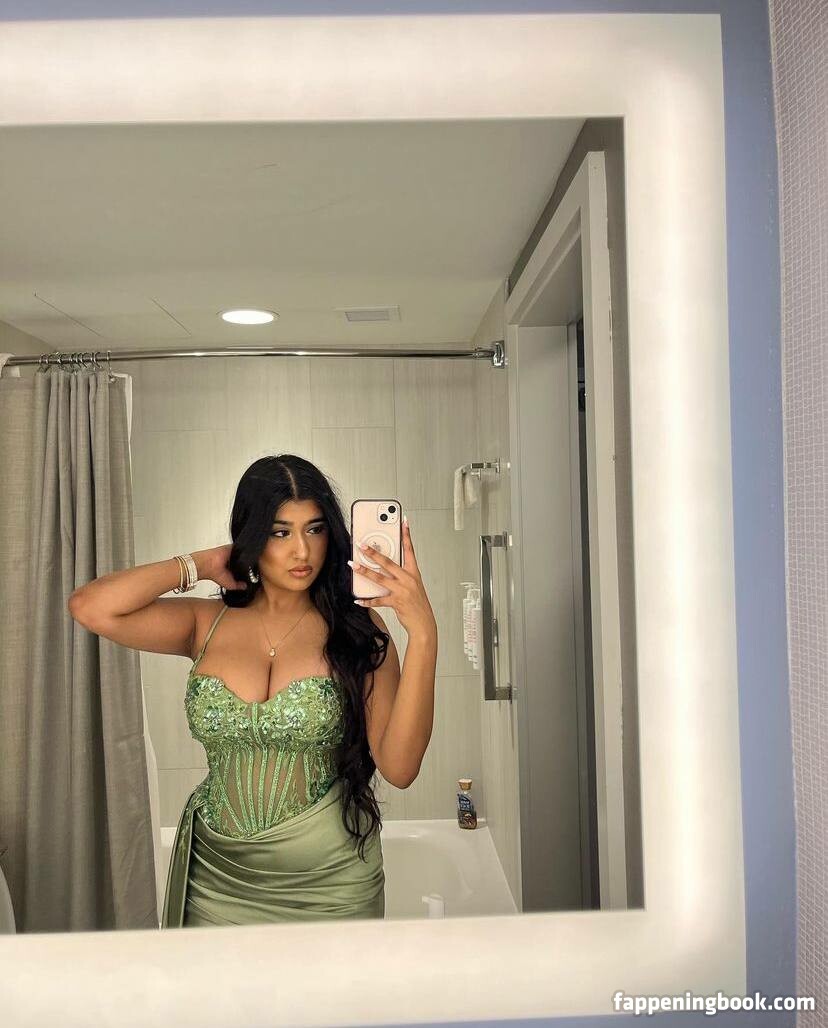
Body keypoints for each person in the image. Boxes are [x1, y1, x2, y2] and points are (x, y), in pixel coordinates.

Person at [67, 453, 438, 928]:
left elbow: (401, 768)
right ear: (252, 535)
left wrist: (423, 634)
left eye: (315, 529)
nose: (302, 551)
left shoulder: (357, 629)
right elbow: (91, 607)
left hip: (330, 884)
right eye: (280, 532)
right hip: (218, 880)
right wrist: (202, 563)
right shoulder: (205, 622)